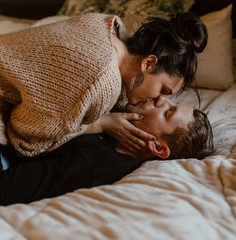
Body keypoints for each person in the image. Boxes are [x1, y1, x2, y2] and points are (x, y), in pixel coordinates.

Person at [0, 12, 207, 156]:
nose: (160, 100)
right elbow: (25, 141)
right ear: (149, 63)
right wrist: (100, 124)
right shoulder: (103, 79)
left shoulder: (107, 25)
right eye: (163, 90)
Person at [0, 96, 214, 205]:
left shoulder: (94, 164)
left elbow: (7, 188)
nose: (161, 99)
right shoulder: (110, 128)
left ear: (156, 146)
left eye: (167, 112)